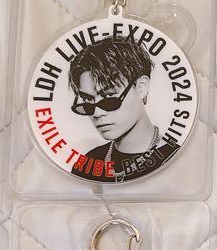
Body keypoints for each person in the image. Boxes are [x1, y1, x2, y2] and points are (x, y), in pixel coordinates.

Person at [68, 36, 176, 181]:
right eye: (88, 99)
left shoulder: (178, 160)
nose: (97, 113)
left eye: (109, 96)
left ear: (141, 88)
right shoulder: (87, 165)